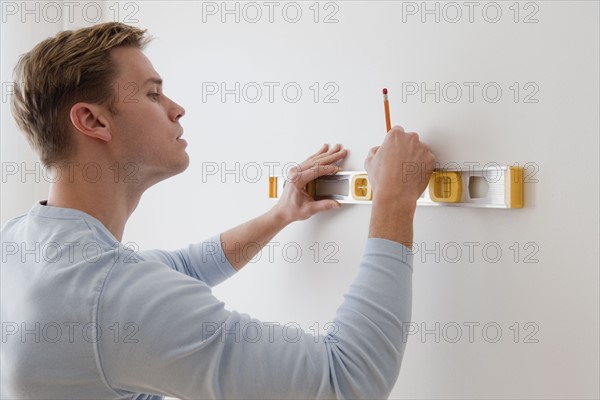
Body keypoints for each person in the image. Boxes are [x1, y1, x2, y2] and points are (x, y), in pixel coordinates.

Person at [1, 22, 435, 399]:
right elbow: (348, 380)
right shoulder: (111, 299)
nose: (176, 108)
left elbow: (179, 269)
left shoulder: (24, 242)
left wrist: (280, 214)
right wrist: (394, 201)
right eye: (153, 94)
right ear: (93, 121)